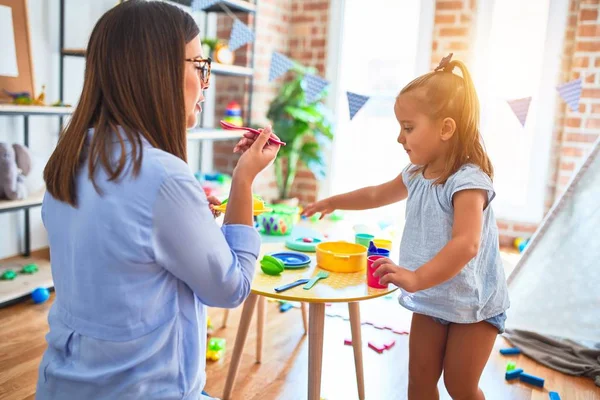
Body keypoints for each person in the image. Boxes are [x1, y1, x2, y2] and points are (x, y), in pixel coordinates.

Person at [36, 1, 280, 398]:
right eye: (199, 65)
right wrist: (244, 181)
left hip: (62, 383)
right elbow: (230, 288)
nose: (206, 82)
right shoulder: (164, 177)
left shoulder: (68, 160)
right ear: (158, 71)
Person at [303, 54, 509, 400]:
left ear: (446, 128)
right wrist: (333, 200)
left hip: (474, 304)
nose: (400, 137)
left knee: (460, 386)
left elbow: (466, 244)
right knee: (419, 382)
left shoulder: (468, 181)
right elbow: (375, 194)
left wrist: (414, 278)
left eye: (409, 127)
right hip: (432, 298)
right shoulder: (416, 174)